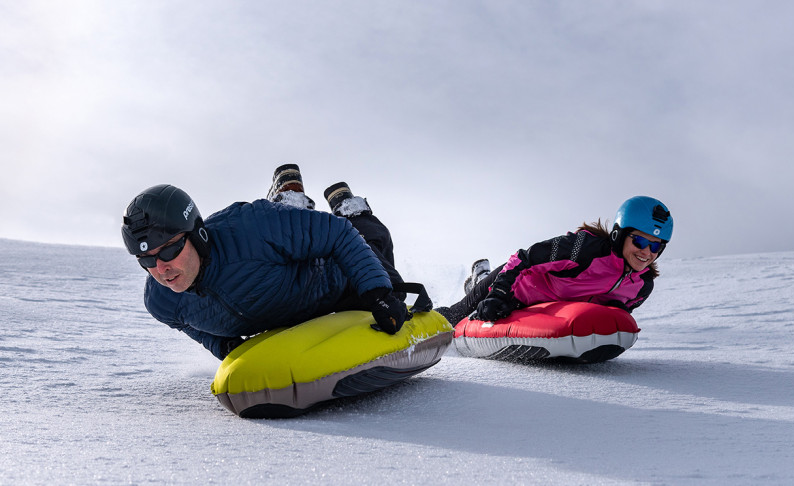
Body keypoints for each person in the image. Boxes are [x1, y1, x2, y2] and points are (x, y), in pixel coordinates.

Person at [121, 164, 410, 360]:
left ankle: (347, 205)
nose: (161, 269)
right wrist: (223, 346)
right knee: (289, 226)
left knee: (374, 247)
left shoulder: (249, 227)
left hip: (333, 287)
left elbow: (339, 234)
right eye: (146, 260)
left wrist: (378, 293)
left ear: (197, 235)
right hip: (285, 304)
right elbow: (187, 324)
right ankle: (289, 204)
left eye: (169, 251)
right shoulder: (160, 301)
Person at [436, 196, 674, 325]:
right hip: (515, 289)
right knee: (456, 315)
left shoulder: (642, 286)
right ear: (619, 235)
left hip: (545, 310)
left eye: (656, 246)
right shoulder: (584, 249)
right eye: (640, 242)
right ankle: (478, 279)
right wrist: (498, 294)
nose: (647, 252)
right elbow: (523, 259)